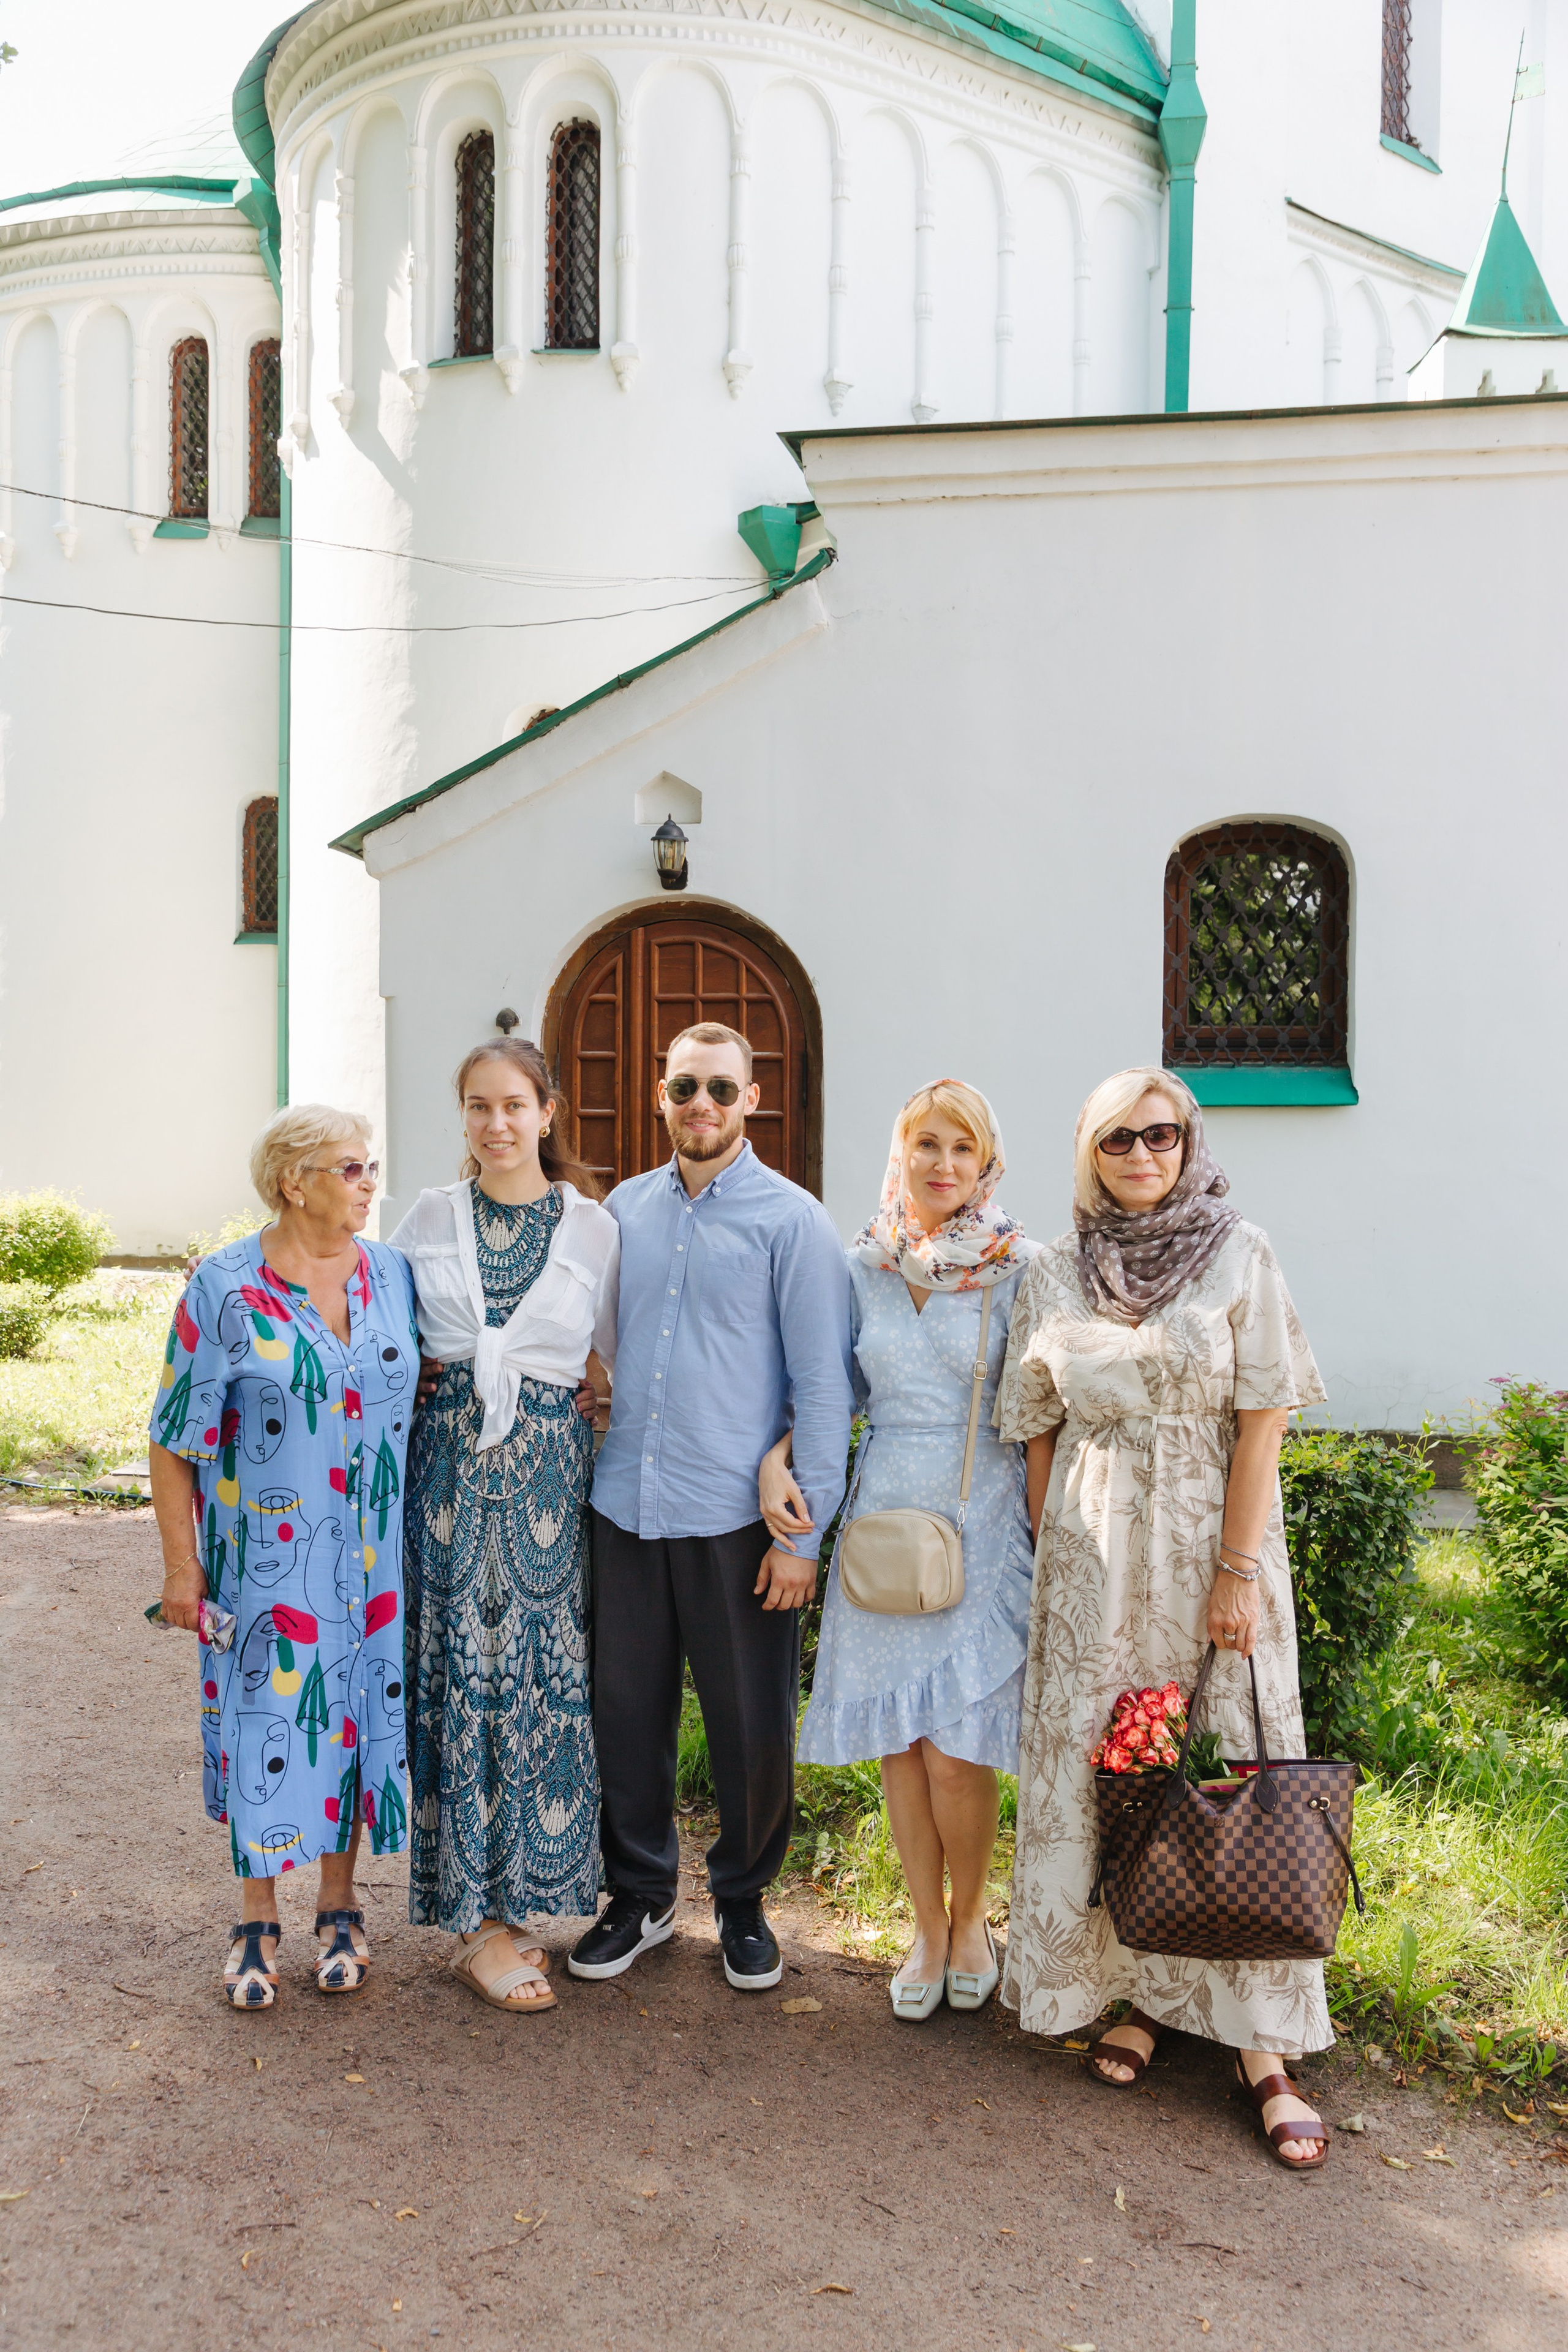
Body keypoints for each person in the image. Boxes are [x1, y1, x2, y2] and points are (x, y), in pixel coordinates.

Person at [995, 1066, 1333, 2170]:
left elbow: (1264, 1416)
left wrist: (1238, 1570)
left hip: (1207, 1554)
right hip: (1094, 1565)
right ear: (1088, 1153)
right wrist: (1058, 1547)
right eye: (1118, 1140)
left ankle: (1260, 2045)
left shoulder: (1242, 1249)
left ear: (1190, 1143)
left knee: (1225, 1767)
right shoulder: (1053, 1267)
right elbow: (1033, 1417)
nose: (1143, 1156)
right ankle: (1138, 1991)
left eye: (1162, 1136)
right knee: (1115, 1771)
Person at [570, 1022, 854, 1992]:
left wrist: (805, 1539)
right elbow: (599, 1342)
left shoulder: (795, 1223)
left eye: (722, 1090)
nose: (703, 1105)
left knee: (749, 1725)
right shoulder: (623, 1213)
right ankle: (641, 1896)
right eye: (686, 1087)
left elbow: (823, 1390)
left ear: (752, 1101)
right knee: (624, 1712)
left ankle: (741, 1902)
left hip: (741, 1521)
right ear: (661, 1096)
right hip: (626, 1506)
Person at [761, 1080, 1035, 2019]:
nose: (943, 1166)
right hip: (885, 1527)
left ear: (986, 1162)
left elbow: (1045, 1408)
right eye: (927, 1145)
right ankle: (926, 1926)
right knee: (903, 1745)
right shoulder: (862, 1265)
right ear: (901, 1153)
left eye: (963, 1149)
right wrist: (777, 1458)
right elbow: (824, 1391)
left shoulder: (1021, 1268)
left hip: (985, 1526)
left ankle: (972, 1923)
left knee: (958, 1747)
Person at [149, 1107, 418, 2007]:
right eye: (350, 1168)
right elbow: (173, 1437)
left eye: (370, 1165)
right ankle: (256, 1917)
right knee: (267, 1721)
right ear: (291, 1181)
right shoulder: (223, 1287)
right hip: (263, 1561)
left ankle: (341, 1909)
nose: (368, 1182)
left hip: (373, 1564)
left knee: (350, 1720)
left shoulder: (393, 1275)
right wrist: (180, 1568)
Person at [390, 1038, 618, 2014]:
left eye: (514, 1105)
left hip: (546, 1487)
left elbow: (616, 1351)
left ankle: (518, 1899)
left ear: (548, 1112)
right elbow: (383, 1335)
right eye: (478, 1107)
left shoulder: (594, 1227)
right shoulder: (428, 1219)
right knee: (462, 1678)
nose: (496, 1125)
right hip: (448, 1479)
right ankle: (475, 1925)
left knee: (536, 1679)